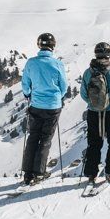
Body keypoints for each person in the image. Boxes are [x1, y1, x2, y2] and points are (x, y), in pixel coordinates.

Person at [19, 32, 68, 184]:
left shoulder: (31, 63)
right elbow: (64, 86)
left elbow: (25, 84)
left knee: (33, 137)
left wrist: (28, 94)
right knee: (45, 139)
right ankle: (39, 172)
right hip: (53, 106)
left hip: (36, 105)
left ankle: (28, 174)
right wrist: (58, 97)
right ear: (53, 46)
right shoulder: (57, 64)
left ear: (39, 45)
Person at [80, 41, 110, 183]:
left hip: (93, 114)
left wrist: (93, 103)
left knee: (93, 143)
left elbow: (83, 94)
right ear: (109, 54)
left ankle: (91, 174)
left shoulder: (88, 72)